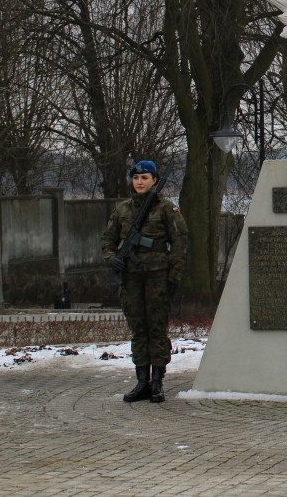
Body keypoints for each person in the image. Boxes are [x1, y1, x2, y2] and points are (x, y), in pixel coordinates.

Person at [101, 160, 188, 403]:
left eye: (145, 178)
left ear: (154, 181)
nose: (140, 182)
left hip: (157, 278)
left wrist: (173, 277)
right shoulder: (122, 210)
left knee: (157, 329)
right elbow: (107, 240)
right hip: (131, 279)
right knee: (138, 330)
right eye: (136, 178)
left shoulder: (165, 209)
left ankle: (158, 382)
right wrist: (112, 259)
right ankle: (142, 381)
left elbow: (179, 245)